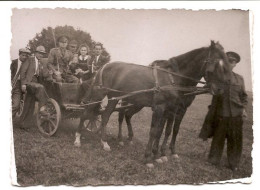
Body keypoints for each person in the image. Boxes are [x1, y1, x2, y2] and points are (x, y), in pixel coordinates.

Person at [200, 51, 248, 172]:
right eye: (228, 61)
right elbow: (210, 87)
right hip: (221, 113)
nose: (230, 64)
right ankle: (213, 160)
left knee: (235, 140)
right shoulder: (218, 78)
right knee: (218, 138)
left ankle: (233, 163)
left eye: (233, 62)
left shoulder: (240, 79)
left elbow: (244, 96)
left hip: (236, 114)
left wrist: (244, 109)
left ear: (235, 64)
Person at [19, 46, 51, 130]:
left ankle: (24, 124)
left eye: (42, 54)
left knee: (30, 104)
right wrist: (23, 84)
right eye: (40, 53)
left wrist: (49, 73)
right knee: (40, 87)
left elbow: (43, 75)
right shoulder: (30, 59)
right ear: (36, 53)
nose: (41, 55)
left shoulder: (41, 63)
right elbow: (23, 71)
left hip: (35, 84)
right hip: (29, 82)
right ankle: (42, 108)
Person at [11, 48, 31, 125]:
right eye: (23, 55)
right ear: (19, 55)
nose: (24, 57)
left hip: (19, 86)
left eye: (26, 56)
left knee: (16, 105)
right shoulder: (12, 63)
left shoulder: (27, 65)